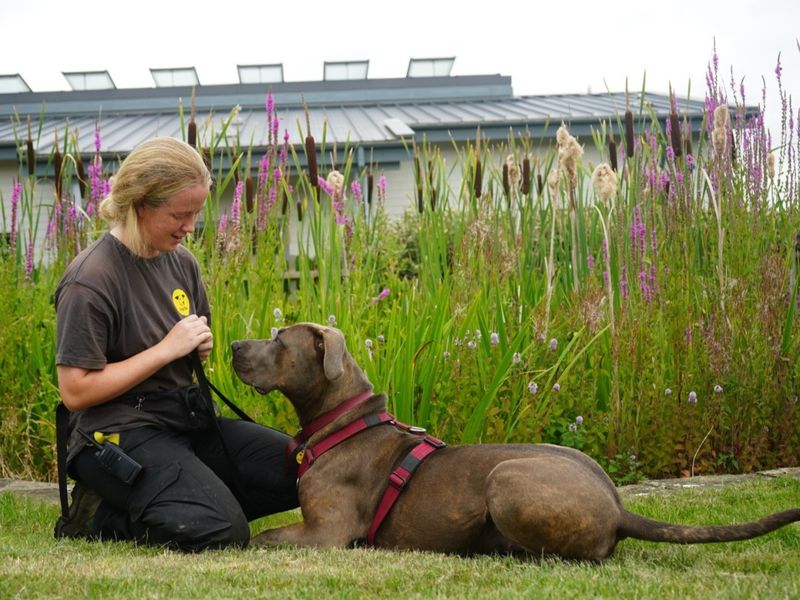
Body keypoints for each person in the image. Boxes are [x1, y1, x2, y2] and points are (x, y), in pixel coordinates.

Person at [53, 136, 298, 551]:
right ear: (140, 204)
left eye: (197, 213)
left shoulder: (181, 261)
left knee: (304, 469)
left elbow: (188, 338)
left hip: (184, 420)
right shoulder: (91, 280)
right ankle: (104, 513)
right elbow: (75, 391)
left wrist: (197, 347)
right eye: (179, 215)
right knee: (221, 531)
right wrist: (166, 349)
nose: (190, 227)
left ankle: (186, 499)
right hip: (117, 433)